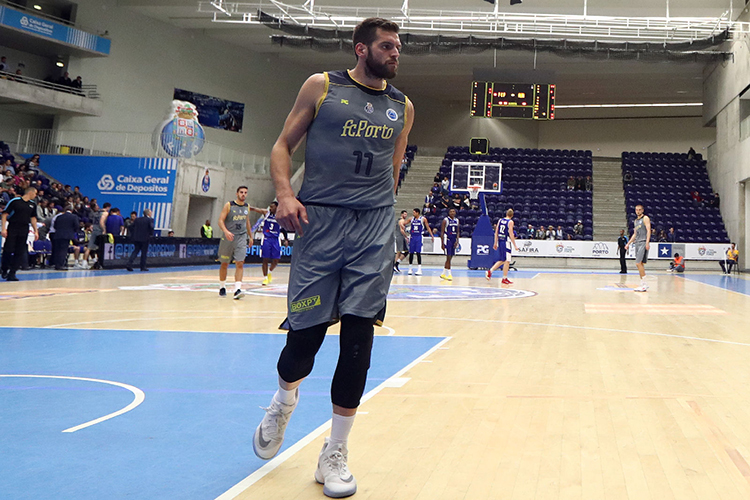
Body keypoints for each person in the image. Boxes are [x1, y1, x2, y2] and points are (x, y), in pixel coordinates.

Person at [252, 18, 414, 499]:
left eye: (399, 47)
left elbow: (393, 170)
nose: (396, 53)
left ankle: (335, 452)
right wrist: (285, 194)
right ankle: (284, 401)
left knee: (359, 340)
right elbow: (282, 146)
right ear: (361, 48)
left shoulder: (403, 107)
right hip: (319, 223)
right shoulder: (321, 86)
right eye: (387, 46)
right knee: (304, 341)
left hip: (372, 229)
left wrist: (381, 219)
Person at [217, 186, 252, 299]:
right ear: (237, 194)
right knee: (224, 263)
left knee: (240, 262)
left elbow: (247, 222)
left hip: (241, 237)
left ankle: (237, 289)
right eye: (241, 192)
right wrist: (226, 231)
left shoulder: (247, 207)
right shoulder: (229, 205)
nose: (243, 194)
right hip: (229, 237)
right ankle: (222, 287)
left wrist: (251, 237)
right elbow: (220, 221)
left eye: (245, 192)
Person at [1, 186, 38, 281]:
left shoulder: (32, 204)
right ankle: (4, 268)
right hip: (13, 227)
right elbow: (5, 214)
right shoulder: (15, 201)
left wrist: (36, 231)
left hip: (24, 228)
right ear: (30, 193)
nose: (35, 195)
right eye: (35, 193)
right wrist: (3, 228)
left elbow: (33, 218)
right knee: (8, 249)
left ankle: (12, 273)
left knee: (20, 251)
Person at [249, 201, 288, 286]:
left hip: (276, 239)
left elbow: (283, 229)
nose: (270, 208)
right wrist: (248, 207)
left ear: (277, 208)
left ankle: (270, 272)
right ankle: (265, 278)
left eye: (272, 207)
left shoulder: (280, 216)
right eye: (270, 206)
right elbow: (256, 209)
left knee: (276, 259)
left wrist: (286, 239)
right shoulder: (266, 213)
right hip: (266, 238)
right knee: (265, 259)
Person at [486, 208, 519, 284]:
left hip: (500, 241)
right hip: (506, 242)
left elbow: (496, 232)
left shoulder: (500, 220)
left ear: (506, 214)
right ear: (512, 215)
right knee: (506, 260)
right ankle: (494, 273)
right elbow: (511, 234)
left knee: (504, 260)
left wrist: (495, 243)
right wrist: (515, 245)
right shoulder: (510, 222)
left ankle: (502, 276)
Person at [624, 204, 651, 292]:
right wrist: (628, 243)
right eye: (636, 210)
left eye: (639, 210)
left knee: (638, 263)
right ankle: (643, 283)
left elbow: (648, 230)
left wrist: (647, 242)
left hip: (643, 242)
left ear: (642, 210)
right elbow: (635, 234)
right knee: (640, 264)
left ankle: (644, 283)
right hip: (637, 242)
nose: (638, 211)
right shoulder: (635, 221)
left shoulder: (645, 218)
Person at [50, 204, 79, 270]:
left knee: (57, 250)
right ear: (72, 210)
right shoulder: (74, 217)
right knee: (63, 250)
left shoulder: (59, 217)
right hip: (67, 235)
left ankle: (57, 264)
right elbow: (76, 226)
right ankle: (61, 265)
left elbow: (55, 226)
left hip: (57, 235)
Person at [407, 207, 434, 275]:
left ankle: (419, 269)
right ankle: (410, 268)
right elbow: (403, 223)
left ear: (417, 213)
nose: (413, 214)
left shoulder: (423, 219)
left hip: (419, 237)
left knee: (418, 253)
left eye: (414, 212)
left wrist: (432, 235)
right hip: (412, 236)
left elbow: (428, 227)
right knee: (411, 253)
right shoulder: (411, 219)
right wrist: (403, 227)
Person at [439, 207, 460, 281]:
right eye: (451, 211)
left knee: (450, 257)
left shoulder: (457, 220)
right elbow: (442, 232)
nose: (452, 213)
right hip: (447, 239)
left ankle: (443, 273)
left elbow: (458, 232)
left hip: (454, 240)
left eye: (453, 211)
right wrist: (442, 243)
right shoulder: (445, 220)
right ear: (448, 213)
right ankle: (449, 274)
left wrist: (457, 241)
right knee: (448, 257)